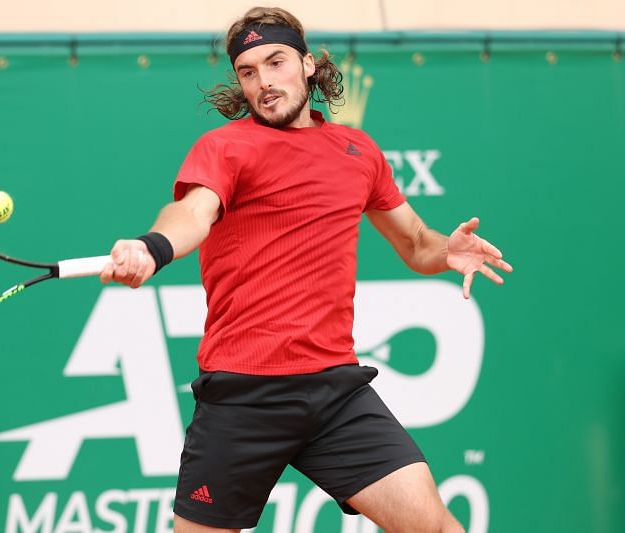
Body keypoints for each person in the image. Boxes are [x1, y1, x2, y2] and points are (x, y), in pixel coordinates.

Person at [100, 6, 513, 533]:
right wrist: (152, 247)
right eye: (248, 72)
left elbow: (414, 241)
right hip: (243, 395)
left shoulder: (357, 151)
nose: (263, 82)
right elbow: (191, 214)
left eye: (275, 63)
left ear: (308, 65)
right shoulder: (225, 148)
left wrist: (446, 250)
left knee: (436, 527)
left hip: (335, 392)